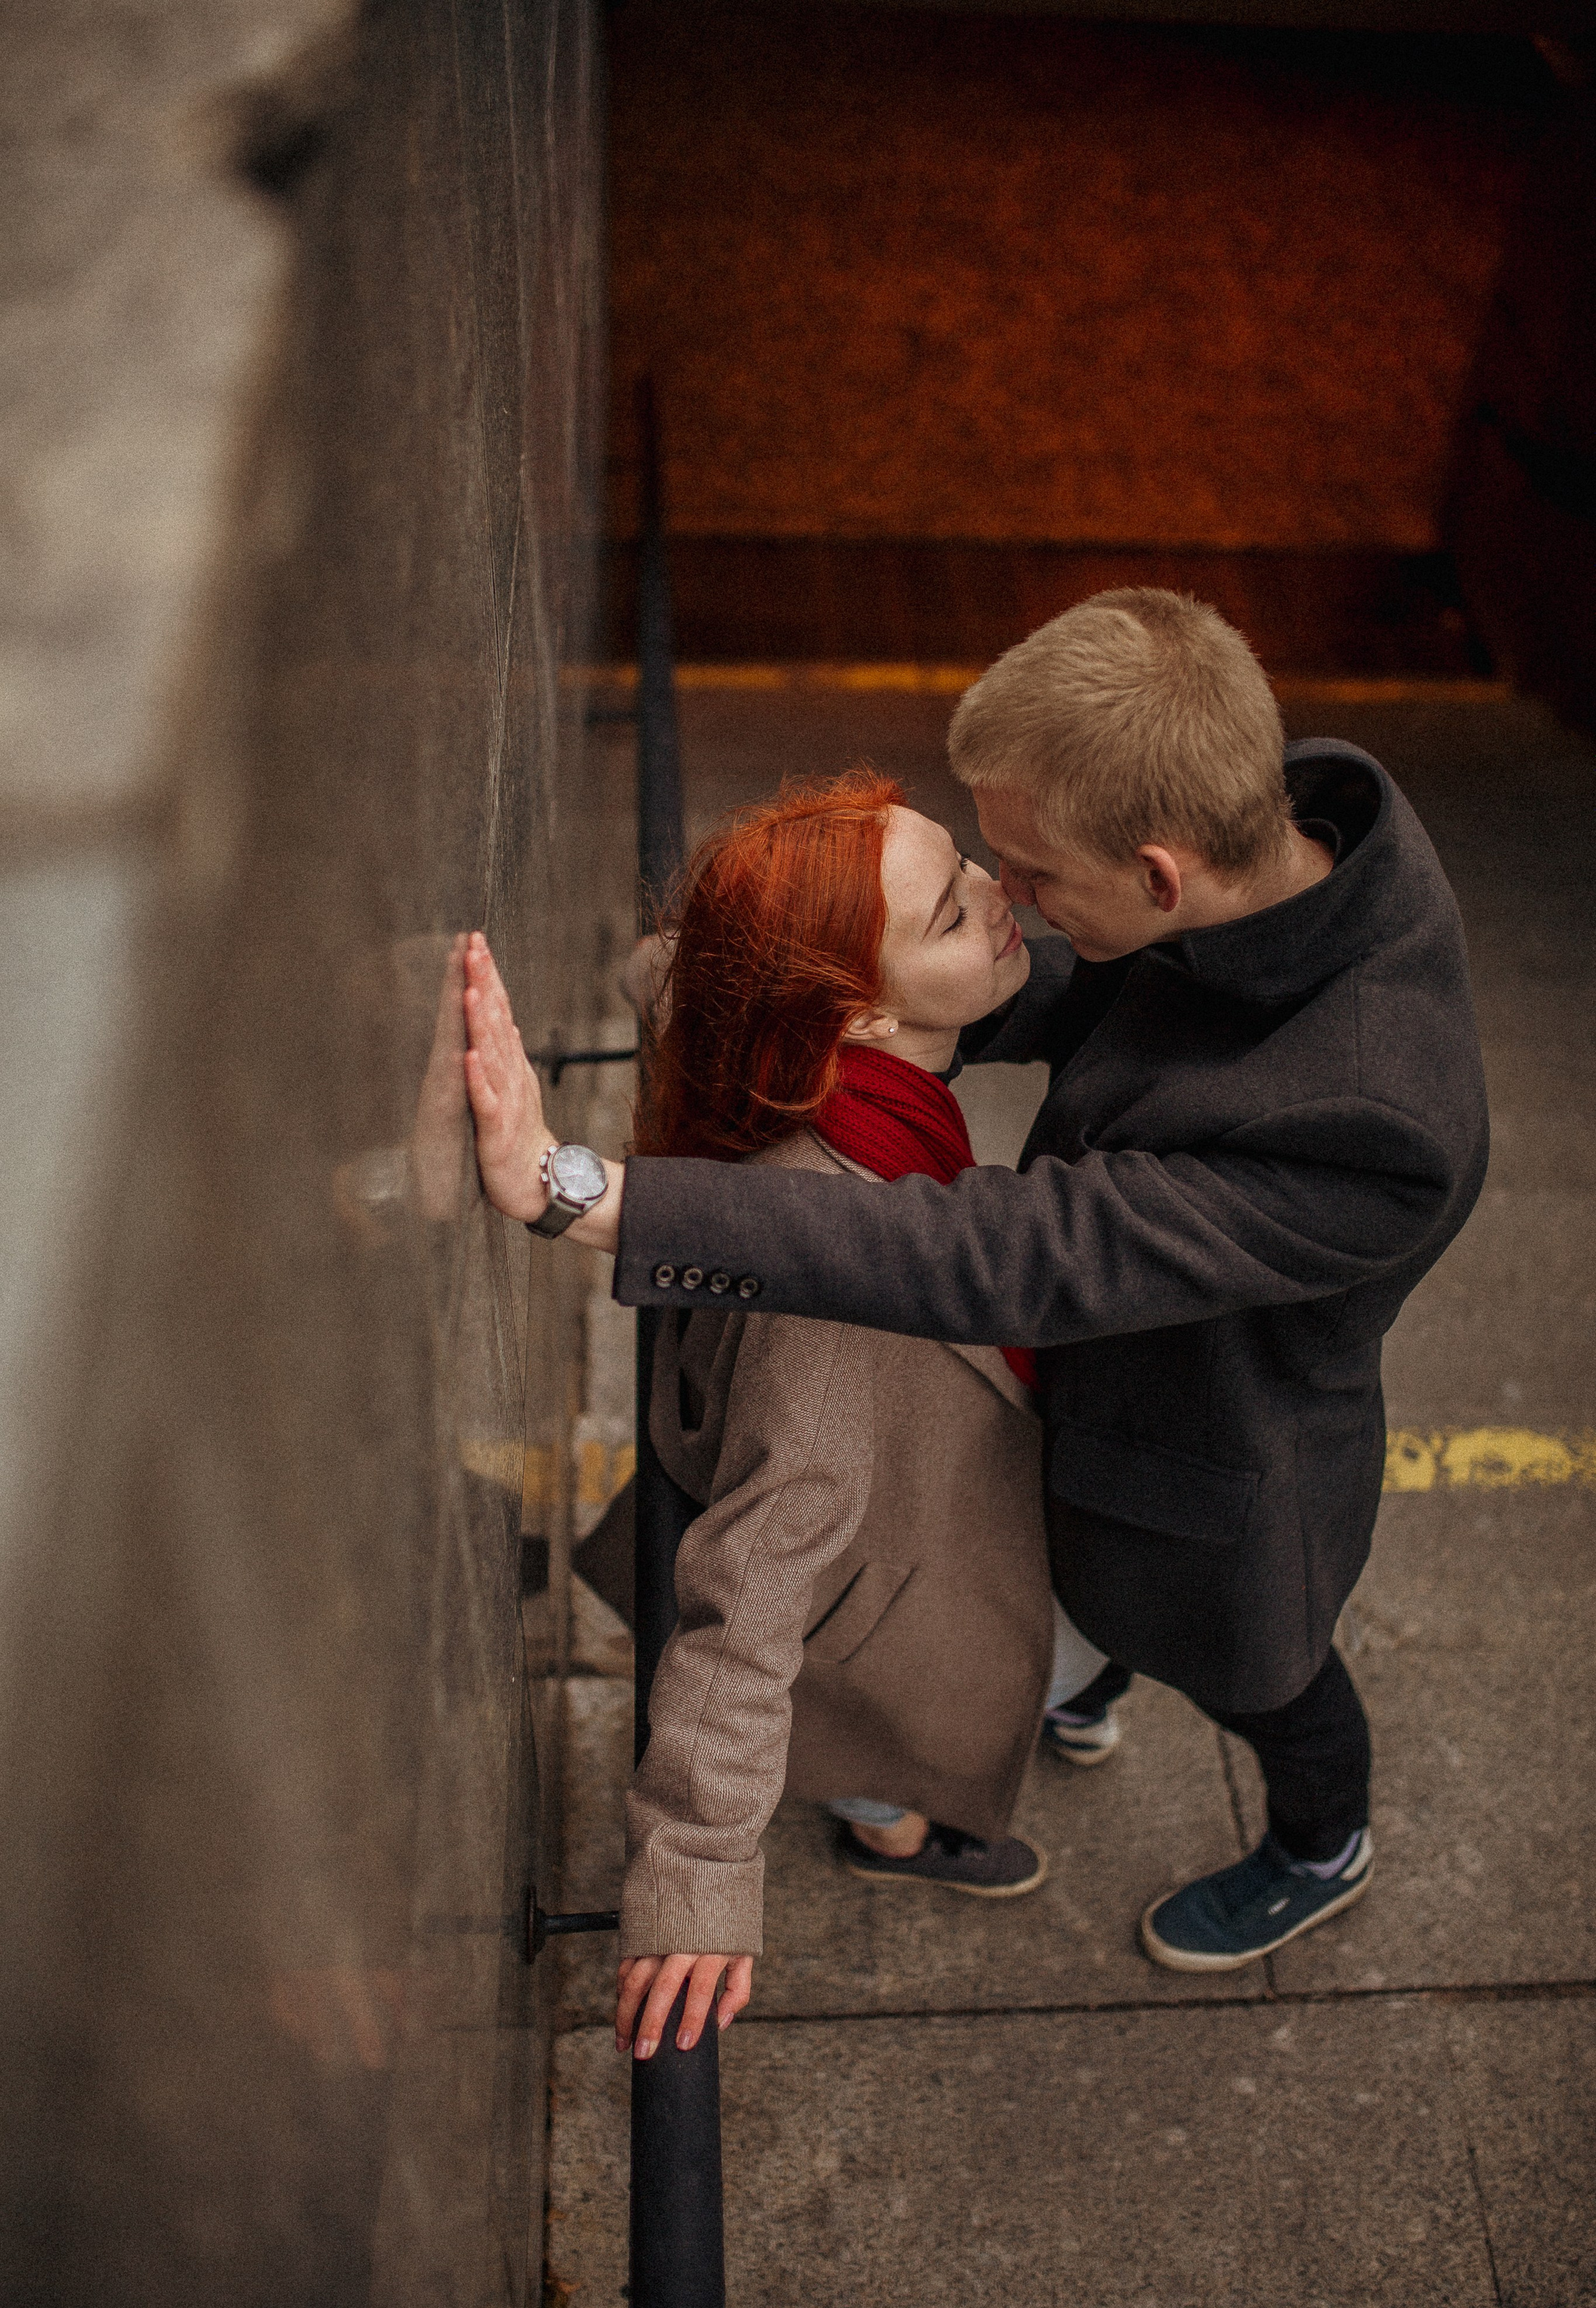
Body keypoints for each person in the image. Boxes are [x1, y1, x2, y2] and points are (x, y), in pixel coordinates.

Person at [464, 586, 1489, 2005]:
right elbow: (1081, 988)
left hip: (1217, 1452)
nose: (1015, 899)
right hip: (1062, 1412)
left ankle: (1324, 1842)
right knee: (1089, 1619)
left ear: (1160, 876)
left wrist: (586, 1193)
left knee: (1267, 1674)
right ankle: (1087, 1684)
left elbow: (1005, 1253)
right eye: (979, 874)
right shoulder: (1282, 829)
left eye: (1030, 872)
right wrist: (763, 974)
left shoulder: (1375, 1121)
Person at [469, 772, 1110, 2060]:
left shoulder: (780, 1046)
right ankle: (893, 1829)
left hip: (887, 1542)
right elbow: (750, 1592)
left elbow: (672, 972)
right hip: (876, 1609)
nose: (999, 892)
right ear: (860, 1012)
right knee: (947, 1702)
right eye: (949, 912)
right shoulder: (829, 1303)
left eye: (960, 863)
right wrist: (697, 1871)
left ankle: (906, 1792)